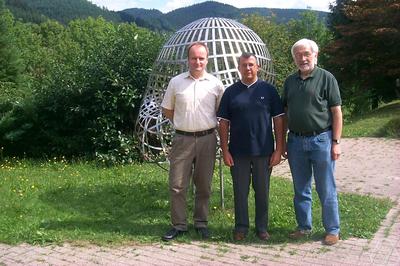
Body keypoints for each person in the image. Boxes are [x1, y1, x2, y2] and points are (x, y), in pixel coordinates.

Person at [160, 42, 225, 241]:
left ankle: (201, 223)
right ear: (188, 59)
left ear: (207, 60)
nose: (197, 62)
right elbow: (167, 110)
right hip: (182, 139)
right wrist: (184, 123)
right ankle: (179, 224)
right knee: (177, 185)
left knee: (204, 185)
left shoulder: (215, 84)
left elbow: (221, 112)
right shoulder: (176, 82)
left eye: (201, 58)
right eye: (194, 58)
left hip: (207, 139)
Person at [217, 52, 285, 241]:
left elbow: (279, 120)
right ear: (239, 68)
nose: (248, 68)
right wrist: (225, 150)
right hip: (238, 152)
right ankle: (241, 227)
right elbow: (223, 122)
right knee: (240, 191)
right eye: (244, 65)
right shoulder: (231, 92)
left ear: (258, 67)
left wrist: (279, 149)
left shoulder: (269, 90)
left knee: (262, 191)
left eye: (251, 65)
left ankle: (262, 227)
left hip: (264, 152)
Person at [282, 38, 343, 246]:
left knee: (326, 188)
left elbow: (336, 112)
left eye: (306, 53)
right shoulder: (290, 81)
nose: (302, 58)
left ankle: (332, 230)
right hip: (296, 142)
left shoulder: (326, 78)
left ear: (315, 55)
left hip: (322, 140)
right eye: (298, 55)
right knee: (301, 188)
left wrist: (336, 141)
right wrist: (283, 143)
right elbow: (285, 112)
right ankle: (304, 227)